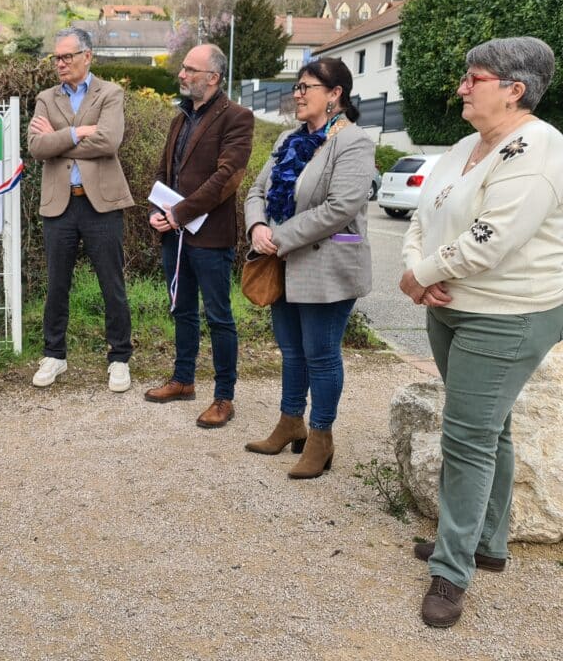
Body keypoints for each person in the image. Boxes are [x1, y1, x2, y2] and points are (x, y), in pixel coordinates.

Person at [398, 37, 563, 628]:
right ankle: (486, 542)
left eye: (475, 78)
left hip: (506, 314)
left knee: (467, 438)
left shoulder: (539, 150)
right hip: (449, 307)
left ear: (514, 90)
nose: (462, 86)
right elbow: (424, 215)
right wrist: (418, 270)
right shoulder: (466, 146)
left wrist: (421, 274)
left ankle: (452, 570)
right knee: (492, 429)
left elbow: (493, 238)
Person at [243, 57, 374, 477]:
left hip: (327, 265)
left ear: (335, 94)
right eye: (296, 87)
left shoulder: (353, 142)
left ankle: (321, 437)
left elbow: (340, 208)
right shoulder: (288, 139)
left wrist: (278, 237)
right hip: (282, 261)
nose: (297, 95)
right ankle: (290, 422)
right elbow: (257, 191)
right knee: (292, 351)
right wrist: (257, 227)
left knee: (320, 354)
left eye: (306, 87)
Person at [145, 44, 253, 428]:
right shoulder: (181, 117)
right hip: (175, 235)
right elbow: (165, 171)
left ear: (213, 77)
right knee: (182, 310)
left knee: (219, 317)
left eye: (191, 69)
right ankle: (183, 379)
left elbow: (226, 179)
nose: (182, 74)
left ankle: (224, 397)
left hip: (210, 238)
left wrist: (178, 213)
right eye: (183, 68)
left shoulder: (237, 117)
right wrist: (158, 211)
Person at [28, 27, 134, 393]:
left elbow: (108, 141)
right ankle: (54, 355)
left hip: (101, 203)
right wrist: (76, 133)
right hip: (60, 204)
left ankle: (119, 358)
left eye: (67, 57)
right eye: (56, 58)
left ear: (87, 56)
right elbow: (36, 147)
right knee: (57, 285)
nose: (60, 63)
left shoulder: (110, 93)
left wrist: (57, 139)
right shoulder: (46, 98)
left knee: (112, 284)